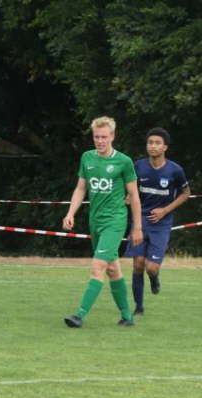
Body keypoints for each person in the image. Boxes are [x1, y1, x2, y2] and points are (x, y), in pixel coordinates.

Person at [62, 116, 143, 328]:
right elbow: (81, 188)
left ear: (113, 136)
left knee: (97, 266)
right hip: (95, 221)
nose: (100, 141)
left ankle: (79, 315)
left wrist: (137, 227)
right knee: (113, 269)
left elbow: (134, 195)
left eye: (104, 137)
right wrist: (71, 213)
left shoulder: (124, 162)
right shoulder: (87, 158)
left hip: (115, 222)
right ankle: (127, 316)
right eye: (97, 137)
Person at [124, 128, 190, 315]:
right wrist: (129, 197)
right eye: (150, 142)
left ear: (165, 147)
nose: (152, 146)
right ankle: (138, 307)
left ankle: (154, 278)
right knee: (138, 264)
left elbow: (186, 193)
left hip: (161, 224)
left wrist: (165, 210)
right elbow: (132, 189)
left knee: (151, 268)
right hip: (140, 219)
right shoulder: (138, 166)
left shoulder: (175, 170)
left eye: (157, 143)